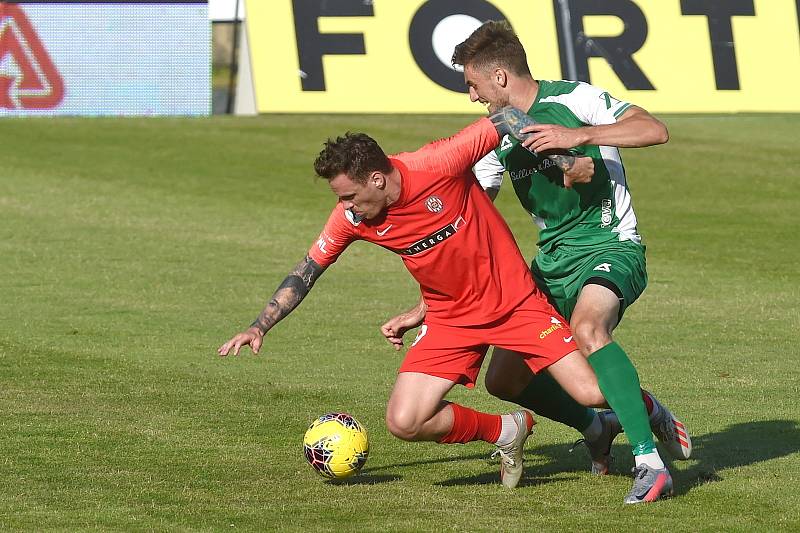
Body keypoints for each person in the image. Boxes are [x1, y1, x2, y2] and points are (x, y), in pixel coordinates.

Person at [218, 112, 620, 491]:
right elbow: (307, 269)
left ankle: (650, 416)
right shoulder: (353, 219)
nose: (346, 208)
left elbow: (506, 117)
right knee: (405, 421)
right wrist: (259, 325)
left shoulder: (438, 162)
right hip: (450, 317)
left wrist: (566, 160)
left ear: (377, 179)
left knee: (593, 393)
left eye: (350, 196)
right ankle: (506, 430)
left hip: (515, 303)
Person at [381, 21, 691, 504]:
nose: (472, 96)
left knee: (590, 330)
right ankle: (599, 424)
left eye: (473, 84)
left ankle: (651, 462)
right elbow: (463, 233)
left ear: (500, 76)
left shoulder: (575, 99)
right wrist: (426, 304)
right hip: (550, 262)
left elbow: (654, 129)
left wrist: (578, 136)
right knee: (504, 380)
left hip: (609, 245)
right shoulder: (494, 140)